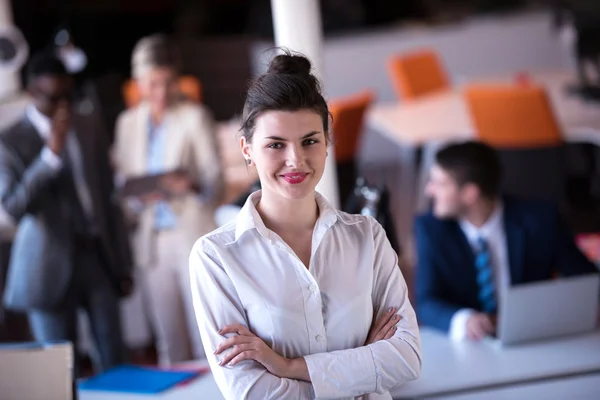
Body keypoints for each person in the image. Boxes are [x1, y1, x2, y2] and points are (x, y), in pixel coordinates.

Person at [189, 51, 421, 400]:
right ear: (247, 149)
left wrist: (288, 366)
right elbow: (250, 391)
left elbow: (407, 359)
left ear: (328, 142)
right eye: (276, 145)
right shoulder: (216, 257)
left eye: (310, 141)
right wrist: (360, 370)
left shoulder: (367, 236)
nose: (295, 160)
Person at [0, 52, 133, 374]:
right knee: (59, 370)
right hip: (47, 264)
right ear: (32, 91)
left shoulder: (88, 124)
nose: (63, 104)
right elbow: (12, 208)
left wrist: (122, 261)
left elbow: (107, 198)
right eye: (53, 97)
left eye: (67, 95)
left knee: (115, 357)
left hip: (96, 257)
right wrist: (49, 158)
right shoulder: (10, 140)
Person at [112, 34, 223, 365]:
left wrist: (190, 183)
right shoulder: (127, 123)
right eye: (152, 84)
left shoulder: (195, 116)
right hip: (152, 241)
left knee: (206, 333)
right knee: (168, 340)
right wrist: (137, 197)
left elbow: (215, 185)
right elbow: (124, 189)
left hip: (192, 235)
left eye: (167, 83)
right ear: (138, 84)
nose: (160, 92)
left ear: (177, 80)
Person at [414, 141, 597, 341]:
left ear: (470, 193)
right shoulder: (431, 229)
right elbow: (426, 301)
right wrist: (464, 320)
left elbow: (586, 280)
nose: (429, 191)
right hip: (473, 345)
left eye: (440, 184)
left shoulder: (541, 221)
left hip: (533, 338)